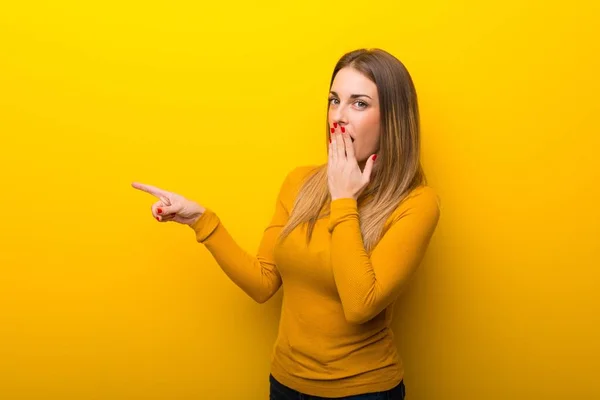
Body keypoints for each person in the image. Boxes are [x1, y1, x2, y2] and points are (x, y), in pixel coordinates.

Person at [132, 48, 440, 399]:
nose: (338, 117)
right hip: (285, 385)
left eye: (359, 104)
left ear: (393, 118)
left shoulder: (416, 203)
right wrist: (202, 221)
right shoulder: (299, 183)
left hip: (363, 392)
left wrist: (344, 199)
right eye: (333, 100)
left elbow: (360, 305)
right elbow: (264, 283)